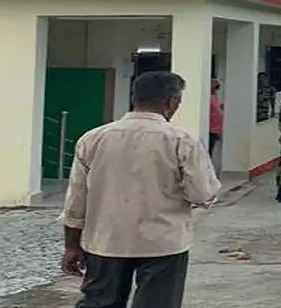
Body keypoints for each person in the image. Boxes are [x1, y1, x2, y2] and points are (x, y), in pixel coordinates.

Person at [58, 71, 220, 308]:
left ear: (135, 98)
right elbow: (203, 194)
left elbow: (76, 199)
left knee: (99, 303)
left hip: (106, 241)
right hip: (163, 243)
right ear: (171, 101)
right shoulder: (182, 141)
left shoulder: (93, 138)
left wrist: (72, 246)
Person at [208, 79, 224, 161]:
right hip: (211, 127)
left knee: (212, 147)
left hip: (216, 127)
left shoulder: (215, 96)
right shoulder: (208, 98)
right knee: (209, 148)